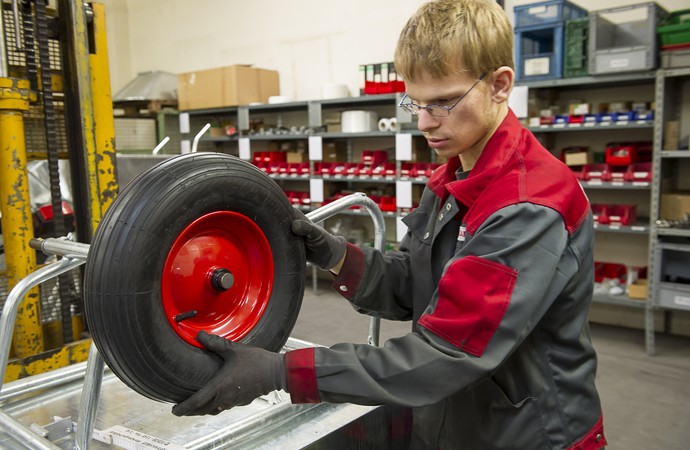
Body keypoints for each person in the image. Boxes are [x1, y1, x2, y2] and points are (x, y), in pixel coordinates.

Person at [172, 0, 607, 448]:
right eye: (414, 103)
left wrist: (281, 372)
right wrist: (339, 256)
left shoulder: (528, 205)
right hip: (454, 419)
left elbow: (449, 354)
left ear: (499, 85)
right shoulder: (451, 176)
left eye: (442, 103)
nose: (423, 122)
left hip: (527, 434)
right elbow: (420, 285)